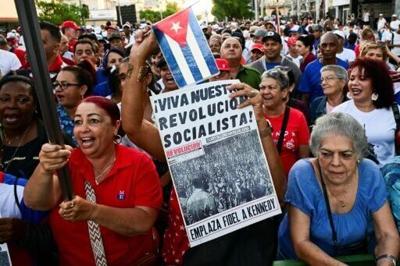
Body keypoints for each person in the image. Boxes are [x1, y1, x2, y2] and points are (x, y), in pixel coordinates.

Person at [121, 30, 286, 265]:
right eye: (215, 77)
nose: (221, 83)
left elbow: (278, 194)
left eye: (226, 76)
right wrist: (138, 59)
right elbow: (133, 126)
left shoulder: (256, 124)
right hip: (191, 251)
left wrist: (261, 128)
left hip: (245, 249)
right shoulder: (185, 137)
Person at [23, 96, 163, 265]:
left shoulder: (138, 163)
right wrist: (44, 168)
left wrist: (93, 212)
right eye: (77, 122)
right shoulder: (67, 162)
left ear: (115, 126)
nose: (83, 129)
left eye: (93, 121)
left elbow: (143, 221)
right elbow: (36, 202)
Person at [278, 112, 400, 264]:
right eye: (326, 154)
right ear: (316, 151)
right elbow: (301, 243)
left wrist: (387, 261)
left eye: (346, 155)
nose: (335, 162)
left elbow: (387, 234)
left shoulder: (370, 172)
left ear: (358, 155)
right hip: (301, 261)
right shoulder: (302, 173)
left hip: (355, 257)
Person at [333, 58, 397, 166]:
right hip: (351, 176)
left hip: (389, 178)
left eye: (362, 78)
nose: (354, 83)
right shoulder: (338, 113)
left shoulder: (395, 111)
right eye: (352, 78)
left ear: (376, 83)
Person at [260, 67, 310, 177]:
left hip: (289, 182)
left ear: (284, 92)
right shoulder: (254, 115)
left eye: (271, 87)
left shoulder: (298, 117)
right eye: (262, 88)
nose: (266, 92)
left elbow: (304, 158)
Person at [298, 32, 349, 106]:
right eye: (324, 45)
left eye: (332, 45)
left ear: (338, 47)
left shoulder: (345, 67)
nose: (328, 49)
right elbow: (305, 96)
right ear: (319, 47)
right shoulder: (310, 68)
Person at [55, 61, 94, 144]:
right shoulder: (51, 117)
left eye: (64, 84)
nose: (58, 89)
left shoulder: (96, 113)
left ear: (82, 89)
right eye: (56, 84)